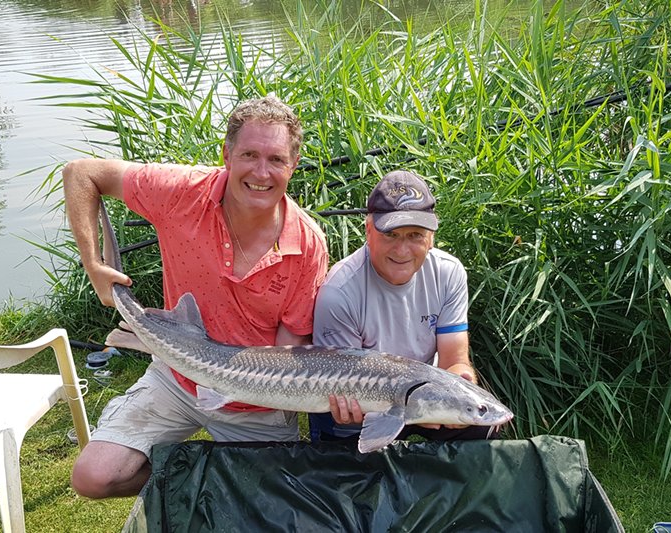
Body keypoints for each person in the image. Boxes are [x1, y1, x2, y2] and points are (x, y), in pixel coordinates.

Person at [63, 96, 328, 498]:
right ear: (226, 154)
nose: (261, 172)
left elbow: (288, 350)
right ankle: (201, 480)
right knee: (94, 478)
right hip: (176, 377)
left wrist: (321, 395)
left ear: (293, 165)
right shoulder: (181, 192)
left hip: (255, 405)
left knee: (268, 506)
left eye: (276, 159)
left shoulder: (307, 245)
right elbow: (82, 173)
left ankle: (215, 480)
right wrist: (95, 265)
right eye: (249, 155)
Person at [310, 170, 497, 443]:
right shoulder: (339, 292)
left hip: (420, 390)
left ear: (431, 236)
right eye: (391, 235)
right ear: (369, 230)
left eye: (415, 235)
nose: (402, 250)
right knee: (345, 448)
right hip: (361, 403)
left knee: (480, 424)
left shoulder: (448, 273)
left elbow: (453, 361)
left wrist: (462, 381)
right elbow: (343, 384)